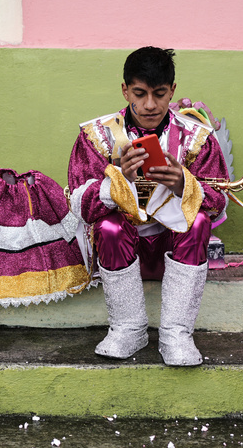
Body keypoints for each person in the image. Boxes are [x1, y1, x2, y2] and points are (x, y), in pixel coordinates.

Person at [67, 46, 229, 366]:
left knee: (197, 223)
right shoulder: (97, 135)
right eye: (139, 94)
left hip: (175, 249)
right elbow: (80, 205)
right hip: (121, 252)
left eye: (160, 93)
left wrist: (184, 184)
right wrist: (118, 183)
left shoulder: (196, 137)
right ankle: (128, 328)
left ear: (173, 91)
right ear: (125, 90)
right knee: (109, 226)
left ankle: (176, 333)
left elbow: (219, 201)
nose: (149, 105)